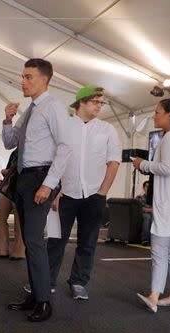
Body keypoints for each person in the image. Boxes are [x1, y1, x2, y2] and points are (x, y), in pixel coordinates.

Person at [1, 58, 71, 322]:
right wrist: (8, 119)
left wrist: (48, 184)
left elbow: (65, 148)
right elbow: (9, 143)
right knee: (29, 242)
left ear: (45, 79)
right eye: (22, 76)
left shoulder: (54, 108)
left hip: (40, 177)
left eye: (29, 77)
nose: (23, 81)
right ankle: (36, 294)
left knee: (33, 242)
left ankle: (44, 301)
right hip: (24, 178)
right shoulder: (30, 111)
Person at [46, 86, 121, 300]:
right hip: (66, 194)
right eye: (95, 101)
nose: (100, 105)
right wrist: (57, 189)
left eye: (101, 102)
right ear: (81, 102)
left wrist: (102, 192)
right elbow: (56, 160)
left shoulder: (107, 129)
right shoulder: (65, 127)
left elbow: (113, 161)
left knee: (87, 242)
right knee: (55, 240)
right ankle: (47, 281)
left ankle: (78, 282)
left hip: (94, 195)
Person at [132, 98, 170, 312]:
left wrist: (142, 164)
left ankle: (154, 296)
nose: (154, 116)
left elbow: (167, 168)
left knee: (159, 249)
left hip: (168, 203)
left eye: (157, 112)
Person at [0, 150, 25, 260]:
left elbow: (17, 170)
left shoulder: (31, 150)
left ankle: (19, 252)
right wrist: (7, 171)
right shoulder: (15, 152)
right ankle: (1, 251)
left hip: (21, 189)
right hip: (9, 189)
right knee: (0, 218)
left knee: (19, 222)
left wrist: (5, 171)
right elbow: (10, 170)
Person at [136, 181, 152, 245]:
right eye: (147, 186)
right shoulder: (139, 197)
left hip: (152, 213)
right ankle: (145, 239)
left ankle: (153, 239)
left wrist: (149, 210)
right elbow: (140, 208)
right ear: (143, 188)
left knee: (154, 217)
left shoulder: (155, 198)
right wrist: (150, 210)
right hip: (142, 214)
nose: (148, 188)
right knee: (147, 217)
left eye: (150, 187)